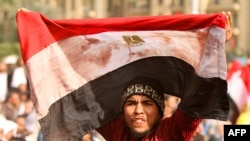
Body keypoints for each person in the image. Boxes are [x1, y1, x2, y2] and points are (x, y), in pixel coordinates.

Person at [96, 76, 202, 140]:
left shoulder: (171, 132)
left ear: (160, 113)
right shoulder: (117, 129)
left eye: (147, 103)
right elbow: (88, 103)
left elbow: (196, 99)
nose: (138, 111)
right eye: (131, 103)